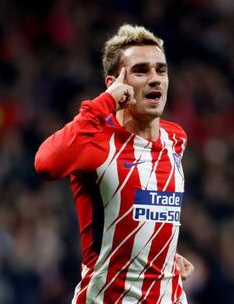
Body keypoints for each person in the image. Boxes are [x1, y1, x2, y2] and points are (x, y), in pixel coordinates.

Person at [35, 24, 194, 304]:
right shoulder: (96, 141)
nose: (155, 79)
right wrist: (104, 103)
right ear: (116, 83)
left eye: (161, 69)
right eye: (141, 71)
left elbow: (144, 210)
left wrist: (162, 254)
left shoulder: (175, 140)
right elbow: (45, 164)